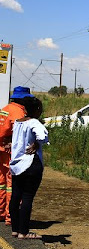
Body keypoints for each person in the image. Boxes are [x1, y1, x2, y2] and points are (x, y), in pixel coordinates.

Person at [9, 97, 48, 240]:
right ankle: (24, 231)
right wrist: (37, 143)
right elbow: (43, 135)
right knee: (27, 197)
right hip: (31, 163)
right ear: (37, 110)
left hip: (17, 164)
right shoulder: (34, 122)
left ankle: (15, 229)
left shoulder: (18, 122)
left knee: (15, 196)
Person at [0, 86, 35, 226]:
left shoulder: (5, 109)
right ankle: (11, 216)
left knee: (1, 183)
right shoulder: (19, 112)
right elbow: (21, 133)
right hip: (11, 152)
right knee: (13, 184)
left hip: (1, 150)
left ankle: (1, 213)